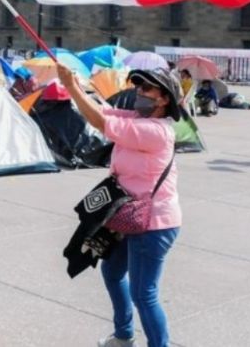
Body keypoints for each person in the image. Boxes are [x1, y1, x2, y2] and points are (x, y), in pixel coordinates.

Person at [58, 64, 182, 347]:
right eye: (138, 86)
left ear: (164, 99)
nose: (140, 92)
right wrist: (80, 87)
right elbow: (103, 112)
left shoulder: (157, 131)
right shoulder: (138, 118)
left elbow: (104, 125)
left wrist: (71, 87)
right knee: (112, 272)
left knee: (144, 293)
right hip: (128, 215)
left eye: (147, 88)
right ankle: (124, 336)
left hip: (153, 224)